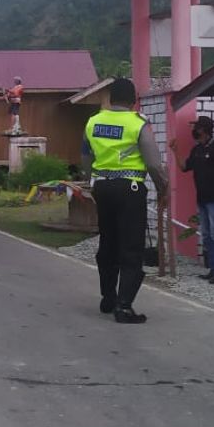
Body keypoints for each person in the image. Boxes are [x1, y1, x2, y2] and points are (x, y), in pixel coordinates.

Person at [81, 78, 169, 323]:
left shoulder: (93, 122)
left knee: (108, 243)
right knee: (131, 247)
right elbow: (152, 162)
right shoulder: (138, 123)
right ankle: (124, 305)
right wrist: (164, 188)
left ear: (109, 99)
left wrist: (93, 182)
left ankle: (108, 296)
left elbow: (86, 158)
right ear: (133, 100)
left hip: (102, 188)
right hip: (130, 189)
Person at [171, 115, 214, 284]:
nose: (194, 131)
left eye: (197, 128)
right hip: (202, 199)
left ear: (204, 130)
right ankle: (213, 269)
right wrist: (175, 151)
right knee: (207, 235)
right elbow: (184, 167)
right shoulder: (197, 150)